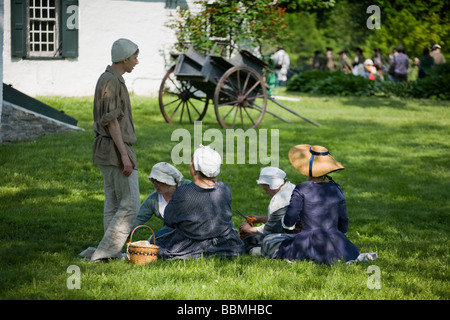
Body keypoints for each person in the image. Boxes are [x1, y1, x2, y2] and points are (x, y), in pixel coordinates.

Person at [81, 38, 140, 262]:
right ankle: (103, 253)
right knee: (131, 203)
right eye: (134, 57)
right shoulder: (111, 81)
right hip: (115, 149)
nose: (137, 61)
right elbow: (111, 122)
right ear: (125, 58)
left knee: (115, 203)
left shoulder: (113, 79)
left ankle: (107, 253)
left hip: (110, 148)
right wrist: (124, 156)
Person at [262, 144, 360, 265]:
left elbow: (289, 221)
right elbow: (343, 222)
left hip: (307, 241)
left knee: (269, 241)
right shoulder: (336, 188)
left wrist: (294, 224)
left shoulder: (301, 188)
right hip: (335, 242)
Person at [157, 145, 244, 260]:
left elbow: (169, 219)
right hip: (225, 244)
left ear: (194, 168)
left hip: (190, 245)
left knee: (157, 238)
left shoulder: (184, 192)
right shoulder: (224, 189)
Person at [238, 167, 296, 256]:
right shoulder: (291, 187)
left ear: (273, 185)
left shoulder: (281, 201)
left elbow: (271, 230)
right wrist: (259, 219)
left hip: (292, 235)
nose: (266, 192)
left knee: (250, 240)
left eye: (266, 189)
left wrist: (249, 229)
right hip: (298, 232)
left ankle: (260, 251)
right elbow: (279, 220)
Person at [130, 162, 190, 242]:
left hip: (193, 228)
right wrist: (121, 237)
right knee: (153, 241)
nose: (155, 184)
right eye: (153, 181)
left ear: (169, 181)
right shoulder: (153, 200)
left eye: (158, 181)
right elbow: (138, 218)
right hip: (171, 231)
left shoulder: (188, 187)